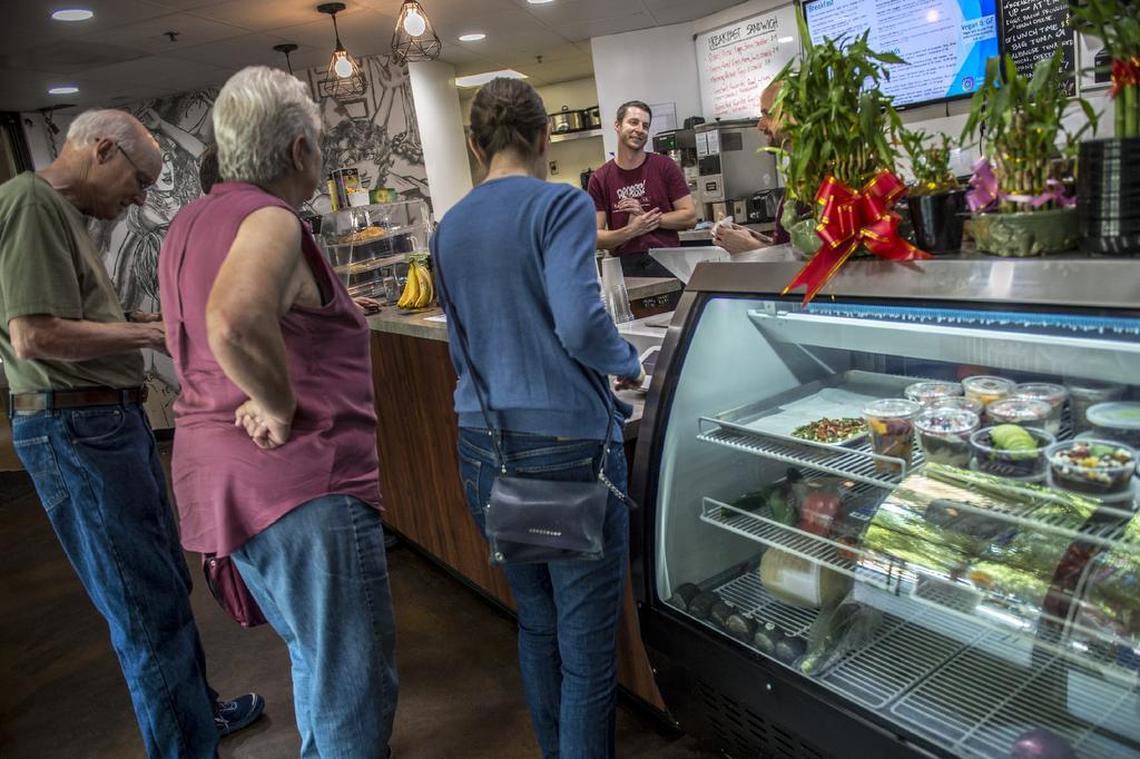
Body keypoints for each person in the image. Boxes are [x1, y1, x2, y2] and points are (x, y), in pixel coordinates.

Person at [0, 108, 263, 758]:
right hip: (77, 427)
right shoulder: (29, 201)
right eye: (139, 180)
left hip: (107, 421)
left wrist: (147, 316)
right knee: (142, 603)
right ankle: (185, 744)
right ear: (102, 149)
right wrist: (151, 333)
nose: (140, 198)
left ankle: (197, 712)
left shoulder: (65, 217)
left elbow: (74, 319)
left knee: (163, 580)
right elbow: (34, 334)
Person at [158, 66, 398, 758]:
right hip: (301, 487)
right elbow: (233, 319)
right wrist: (278, 404)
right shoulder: (270, 217)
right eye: (318, 145)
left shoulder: (191, 219)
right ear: (298, 150)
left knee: (314, 657)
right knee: (354, 680)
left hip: (223, 485)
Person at [432, 76, 645, 759]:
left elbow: (459, 348)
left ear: (473, 144)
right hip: (566, 448)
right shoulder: (562, 204)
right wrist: (630, 362)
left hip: (484, 448)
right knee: (586, 652)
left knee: (539, 625)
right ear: (544, 136)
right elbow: (583, 324)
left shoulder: (449, 227)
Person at [588, 100, 698, 278]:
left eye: (645, 126)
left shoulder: (664, 166)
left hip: (669, 263)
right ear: (617, 125)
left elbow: (690, 217)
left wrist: (645, 216)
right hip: (625, 268)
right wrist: (632, 230)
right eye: (633, 122)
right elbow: (594, 237)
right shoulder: (600, 178)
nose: (639, 129)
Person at [712, 80, 792, 253]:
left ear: (792, 116)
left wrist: (751, 247)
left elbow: (816, 261)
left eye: (767, 114)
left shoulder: (820, 182)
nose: (760, 125)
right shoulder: (798, 178)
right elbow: (791, 248)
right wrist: (755, 239)